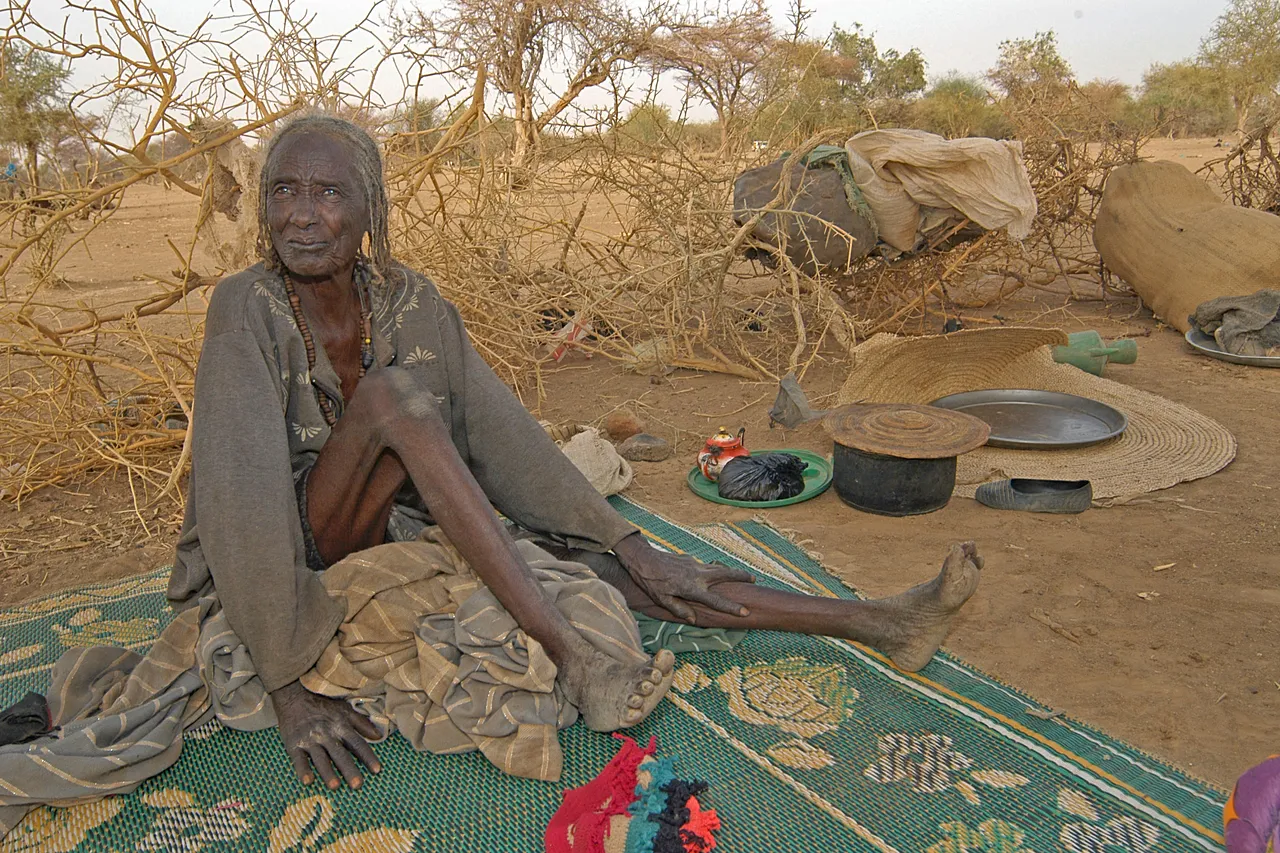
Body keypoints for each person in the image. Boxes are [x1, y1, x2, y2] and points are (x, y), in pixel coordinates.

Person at [168, 115, 983, 795]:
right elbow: (238, 497)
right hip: (294, 545)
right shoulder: (245, 307)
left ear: (371, 207)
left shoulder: (411, 301)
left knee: (622, 571)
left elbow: (505, 439)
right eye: (285, 191)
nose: (303, 215)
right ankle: (574, 658)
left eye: (328, 192)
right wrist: (287, 686)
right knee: (391, 398)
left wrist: (625, 541)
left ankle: (879, 621)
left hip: (396, 531)